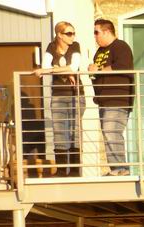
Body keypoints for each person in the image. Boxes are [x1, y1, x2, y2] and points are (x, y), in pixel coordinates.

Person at [35, 21, 85, 176]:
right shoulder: (51, 47)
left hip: (76, 94)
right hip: (58, 95)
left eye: (73, 33)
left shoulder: (75, 46)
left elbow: (74, 67)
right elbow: (45, 66)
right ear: (59, 35)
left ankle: (75, 170)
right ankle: (62, 170)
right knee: (59, 131)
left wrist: (56, 69)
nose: (72, 36)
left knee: (75, 131)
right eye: (69, 33)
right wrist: (66, 72)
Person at [88, 19, 134, 176]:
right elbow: (99, 73)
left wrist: (99, 70)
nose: (95, 36)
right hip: (104, 100)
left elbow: (123, 66)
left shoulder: (120, 46)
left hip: (118, 98)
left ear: (107, 31)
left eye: (97, 32)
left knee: (111, 131)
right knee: (108, 134)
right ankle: (116, 168)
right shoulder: (99, 52)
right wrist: (92, 71)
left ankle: (121, 169)